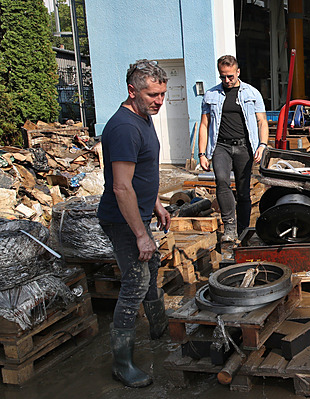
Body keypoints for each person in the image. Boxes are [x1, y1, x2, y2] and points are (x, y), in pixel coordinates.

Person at [98, 59, 172, 388]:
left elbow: (143, 171)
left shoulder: (144, 117)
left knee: (152, 269)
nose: (159, 101)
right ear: (133, 91)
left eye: (162, 94)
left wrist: (155, 203)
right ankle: (122, 363)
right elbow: (121, 186)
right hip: (123, 221)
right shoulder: (124, 127)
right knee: (134, 285)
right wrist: (141, 236)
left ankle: (159, 330)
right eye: (152, 94)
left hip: (140, 214)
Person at [199, 55, 269, 243]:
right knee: (221, 181)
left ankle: (243, 230)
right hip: (220, 146)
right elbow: (204, 125)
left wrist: (262, 145)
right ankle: (229, 227)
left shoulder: (252, 93)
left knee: (243, 191)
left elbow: (262, 122)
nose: (227, 80)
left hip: (244, 147)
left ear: (238, 72)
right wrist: (202, 153)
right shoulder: (211, 95)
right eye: (223, 77)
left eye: (230, 76)